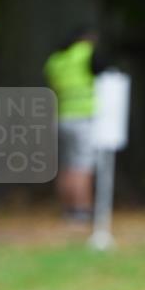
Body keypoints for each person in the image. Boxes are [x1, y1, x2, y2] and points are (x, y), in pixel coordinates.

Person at [44, 28, 104, 221]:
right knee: (83, 165)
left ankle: (68, 208)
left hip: (62, 116)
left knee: (67, 165)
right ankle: (83, 209)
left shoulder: (56, 61)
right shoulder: (86, 52)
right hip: (84, 116)